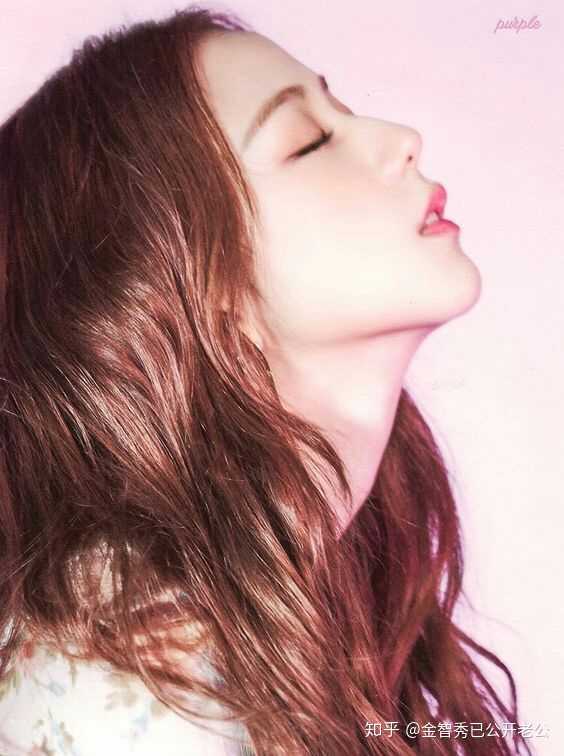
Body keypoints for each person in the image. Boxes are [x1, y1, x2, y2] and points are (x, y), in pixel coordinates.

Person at [0, 6, 532, 755]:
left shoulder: (273, 602)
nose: (400, 138)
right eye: (309, 141)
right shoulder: (123, 677)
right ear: (176, 289)